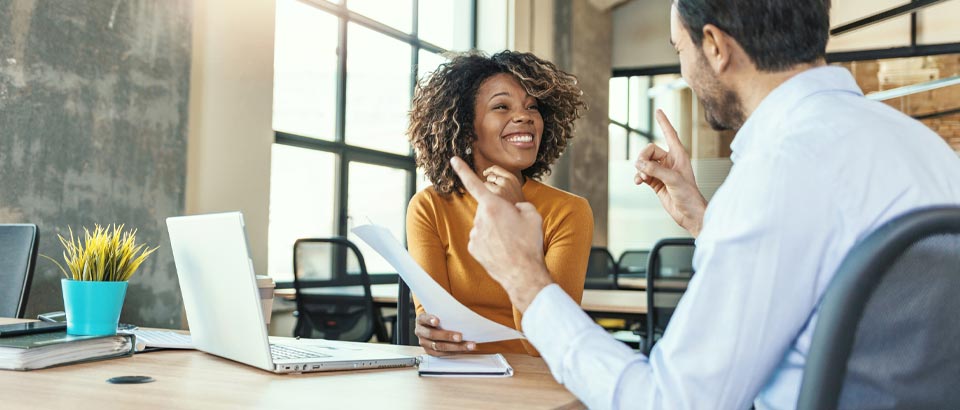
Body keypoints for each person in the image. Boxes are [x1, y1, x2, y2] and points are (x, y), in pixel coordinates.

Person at [449, 0, 960, 408]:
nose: (684, 70)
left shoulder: (779, 172)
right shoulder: (926, 150)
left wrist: (525, 277)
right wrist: (705, 218)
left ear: (714, 46)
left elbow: (670, 401)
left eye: (680, 49)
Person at [405, 50, 593, 356]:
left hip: (538, 378)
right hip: (457, 374)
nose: (525, 116)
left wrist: (516, 216)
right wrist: (429, 330)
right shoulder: (429, 207)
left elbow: (548, 343)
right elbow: (437, 324)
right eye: (501, 106)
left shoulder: (570, 212)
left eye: (532, 107)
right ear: (467, 129)